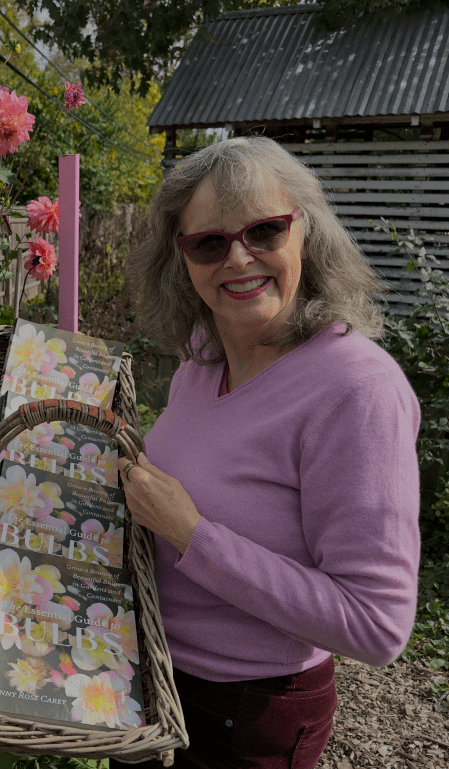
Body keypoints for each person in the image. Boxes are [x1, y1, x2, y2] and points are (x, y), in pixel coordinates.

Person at [117, 136, 420, 769]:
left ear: (306, 234)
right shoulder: (202, 360)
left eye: (264, 232)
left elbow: (376, 624)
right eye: (209, 242)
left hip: (242, 718)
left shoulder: (356, 388)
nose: (238, 258)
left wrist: (190, 533)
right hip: (147, 681)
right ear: (182, 262)